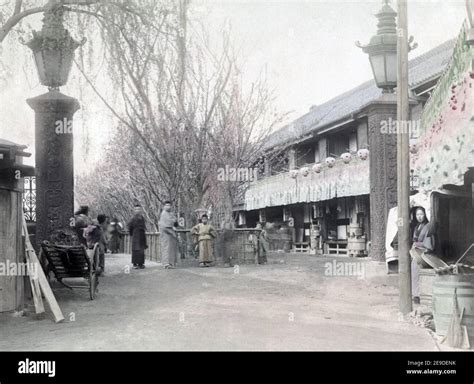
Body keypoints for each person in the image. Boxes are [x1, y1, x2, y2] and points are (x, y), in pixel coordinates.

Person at [409, 206, 435, 305]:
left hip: (425, 253)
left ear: (425, 214)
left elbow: (429, 244)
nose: (419, 217)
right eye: (417, 215)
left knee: (416, 269)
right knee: (413, 270)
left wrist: (418, 244)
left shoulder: (428, 226)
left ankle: (418, 295)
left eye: (421, 214)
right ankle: (415, 294)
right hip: (417, 253)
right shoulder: (417, 227)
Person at [159, 201, 178, 269]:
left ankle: (171, 263)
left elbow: (175, 221)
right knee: (166, 248)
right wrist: (172, 229)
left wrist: (174, 224)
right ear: (164, 206)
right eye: (166, 205)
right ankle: (166, 263)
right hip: (166, 233)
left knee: (171, 249)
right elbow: (164, 225)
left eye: (169, 205)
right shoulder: (163, 214)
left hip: (171, 234)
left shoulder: (171, 213)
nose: (168, 206)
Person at [127, 204, 147, 269]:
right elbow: (130, 227)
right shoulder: (133, 219)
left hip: (142, 235)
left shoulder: (142, 218)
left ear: (141, 210)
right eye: (136, 209)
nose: (137, 210)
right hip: (135, 235)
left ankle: (141, 264)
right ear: (134, 210)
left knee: (141, 250)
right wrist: (131, 234)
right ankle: (135, 264)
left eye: (139, 209)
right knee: (135, 250)